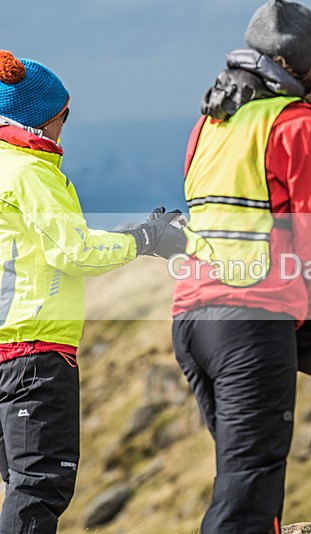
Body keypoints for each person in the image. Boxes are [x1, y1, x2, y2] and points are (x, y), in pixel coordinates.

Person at [170, 1, 311, 531]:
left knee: (241, 479)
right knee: (248, 495)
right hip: (252, 325)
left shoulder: (210, 124)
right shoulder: (300, 127)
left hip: (191, 321)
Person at [0, 51, 184, 533]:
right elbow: (75, 253)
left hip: (6, 350)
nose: (66, 124)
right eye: (66, 113)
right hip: (34, 351)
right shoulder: (31, 172)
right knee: (39, 487)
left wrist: (128, 234)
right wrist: (145, 239)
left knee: (18, 482)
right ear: (46, 117)